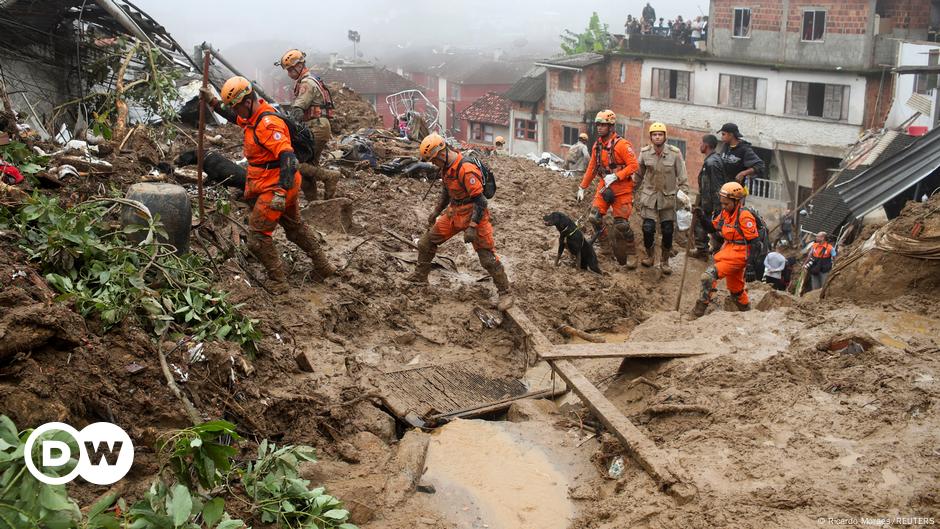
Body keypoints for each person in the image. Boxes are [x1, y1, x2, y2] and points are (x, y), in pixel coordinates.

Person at [203, 76, 335, 293]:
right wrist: (213, 103)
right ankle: (324, 265)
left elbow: (289, 159)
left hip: (276, 186)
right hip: (279, 183)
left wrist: (280, 192)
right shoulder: (253, 114)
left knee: (257, 236)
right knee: (294, 228)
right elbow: (237, 118)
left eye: (236, 107)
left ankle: (279, 281)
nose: (235, 112)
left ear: (247, 102)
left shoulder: (268, 124)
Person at [407, 133, 513, 310]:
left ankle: (505, 292)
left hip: (475, 214)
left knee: (487, 258)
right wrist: (436, 212)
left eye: (433, 160)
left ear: (441, 153)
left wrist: (471, 227)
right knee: (426, 243)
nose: (433, 163)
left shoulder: (466, 168)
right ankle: (420, 277)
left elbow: (481, 201)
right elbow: (446, 192)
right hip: (454, 212)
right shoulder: (447, 168)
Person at [576, 110, 640, 268]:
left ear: (611, 126)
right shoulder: (597, 146)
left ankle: (632, 253)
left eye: (603, 124)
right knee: (594, 217)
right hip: (604, 186)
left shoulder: (622, 145)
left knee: (621, 225)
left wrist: (617, 175)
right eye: (598, 124)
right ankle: (606, 249)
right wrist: (582, 187)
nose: (599, 127)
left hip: (622, 189)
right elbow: (592, 167)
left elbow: (634, 165)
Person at [278, 49, 342, 201]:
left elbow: (298, 108)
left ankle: (330, 177)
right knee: (308, 169)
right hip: (316, 126)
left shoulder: (306, 82)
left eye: (291, 70)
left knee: (297, 164)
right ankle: (314, 204)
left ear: (299, 66)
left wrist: (288, 127)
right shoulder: (309, 79)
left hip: (316, 127)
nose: (289, 74)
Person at [692, 182, 759, 318]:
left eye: (726, 204)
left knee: (708, 276)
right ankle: (748, 313)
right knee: (736, 290)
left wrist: (751, 266)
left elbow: (755, 243)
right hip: (729, 250)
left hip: (740, 254)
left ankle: (698, 311)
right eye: (722, 203)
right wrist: (701, 217)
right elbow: (712, 228)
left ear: (737, 201)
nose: (723, 206)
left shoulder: (744, 216)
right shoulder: (725, 213)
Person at [635, 122, 690, 275]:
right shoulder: (645, 153)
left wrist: (683, 197)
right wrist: (630, 191)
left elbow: (683, 177)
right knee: (648, 228)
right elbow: (638, 175)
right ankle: (650, 256)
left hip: (668, 199)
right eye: (654, 134)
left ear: (665, 137)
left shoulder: (675, 153)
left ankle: (665, 261)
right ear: (651, 137)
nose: (657, 137)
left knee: (667, 230)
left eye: (660, 134)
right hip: (650, 198)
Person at [692, 134, 725, 258]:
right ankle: (715, 248)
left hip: (711, 203)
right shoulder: (713, 160)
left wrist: (717, 207)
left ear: (705, 145)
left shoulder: (712, 163)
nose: (700, 145)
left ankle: (702, 250)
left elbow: (716, 186)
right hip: (708, 201)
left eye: (701, 143)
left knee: (702, 224)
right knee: (712, 227)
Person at [717, 123, 764, 193]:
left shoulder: (744, 149)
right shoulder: (725, 146)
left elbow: (760, 165)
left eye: (723, 134)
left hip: (736, 191)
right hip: (723, 188)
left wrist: (743, 173)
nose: (721, 137)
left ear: (731, 135)